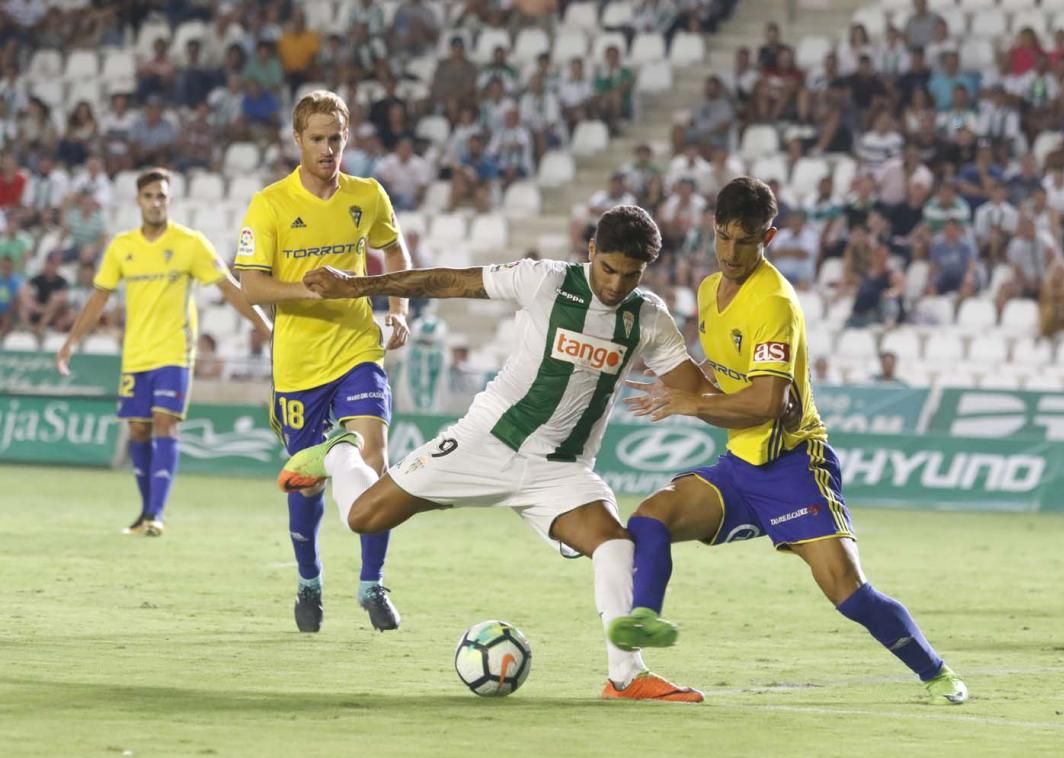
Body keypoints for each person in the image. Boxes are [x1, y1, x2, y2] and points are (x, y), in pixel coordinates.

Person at [286, 205, 708, 703]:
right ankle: (340, 453)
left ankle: (626, 676)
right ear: (591, 252)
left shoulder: (648, 317)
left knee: (616, 545)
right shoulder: (544, 282)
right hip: (486, 442)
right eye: (608, 269)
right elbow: (447, 281)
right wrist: (355, 287)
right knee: (363, 518)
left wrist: (756, 399)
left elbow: (696, 390)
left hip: (561, 471)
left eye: (630, 275)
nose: (616, 285)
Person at [607, 178, 968, 705]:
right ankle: (645, 618)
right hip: (739, 467)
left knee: (847, 591)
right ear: (713, 229)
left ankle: (936, 672)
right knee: (649, 517)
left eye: (746, 240)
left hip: (794, 467)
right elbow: (729, 367)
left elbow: (767, 404)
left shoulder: (774, 301)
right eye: (724, 237)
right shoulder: (710, 291)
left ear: (769, 236)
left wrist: (692, 403)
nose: (732, 252)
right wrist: (687, 382)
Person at [233, 91, 412, 634]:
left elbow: (396, 252)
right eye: (317, 138)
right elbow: (250, 286)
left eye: (336, 138)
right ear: (297, 139)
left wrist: (398, 308)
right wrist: (312, 293)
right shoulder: (270, 204)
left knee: (375, 459)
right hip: (298, 365)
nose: (328, 148)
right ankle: (309, 580)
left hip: (357, 348)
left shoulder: (367, 195)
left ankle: (372, 584)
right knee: (307, 484)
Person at [56, 168, 270, 537]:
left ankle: (156, 513)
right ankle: (145, 514)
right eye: (149, 196)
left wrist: (265, 326)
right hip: (136, 353)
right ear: (138, 201)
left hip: (174, 350)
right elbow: (99, 297)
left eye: (161, 196)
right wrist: (72, 341)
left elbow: (229, 288)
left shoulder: (190, 243)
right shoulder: (122, 247)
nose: (156, 202)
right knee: (138, 429)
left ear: (170, 200)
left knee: (164, 422)